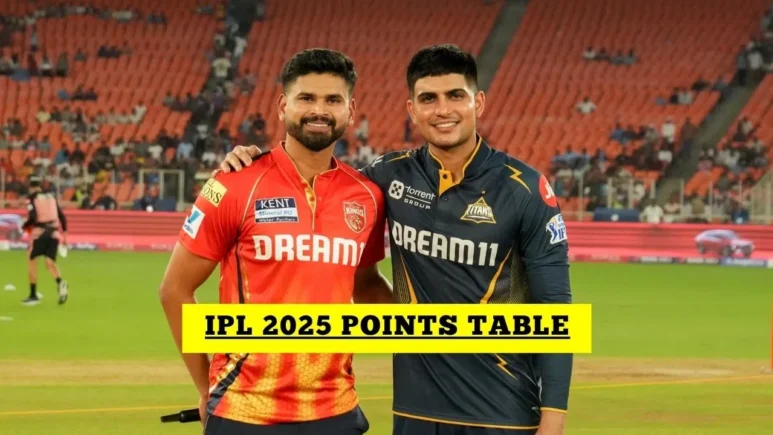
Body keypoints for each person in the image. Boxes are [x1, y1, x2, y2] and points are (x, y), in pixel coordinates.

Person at [219, 44, 573, 435]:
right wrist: (252, 162)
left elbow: (556, 308)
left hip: (502, 410)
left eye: (456, 95)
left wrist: (554, 417)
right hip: (413, 411)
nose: (442, 110)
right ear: (412, 110)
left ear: (479, 102)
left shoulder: (525, 189)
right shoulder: (387, 177)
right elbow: (321, 178)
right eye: (428, 99)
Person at [159, 48, 392, 435]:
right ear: (283, 106)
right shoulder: (234, 183)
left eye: (333, 100)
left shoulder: (367, 196)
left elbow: (366, 284)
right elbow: (175, 290)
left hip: (335, 410)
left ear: (350, 111)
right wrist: (205, 387)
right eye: (307, 98)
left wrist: (437, 333)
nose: (319, 110)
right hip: (243, 410)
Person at [21, 178, 69, 306]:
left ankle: (33, 295)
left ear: (31, 187)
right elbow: (62, 217)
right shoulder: (51, 196)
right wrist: (65, 236)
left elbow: (33, 217)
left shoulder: (32, 198)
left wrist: (24, 226)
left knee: (31, 260)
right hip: (54, 233)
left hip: (40, 233)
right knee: (49, 263)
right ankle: (60, 282)